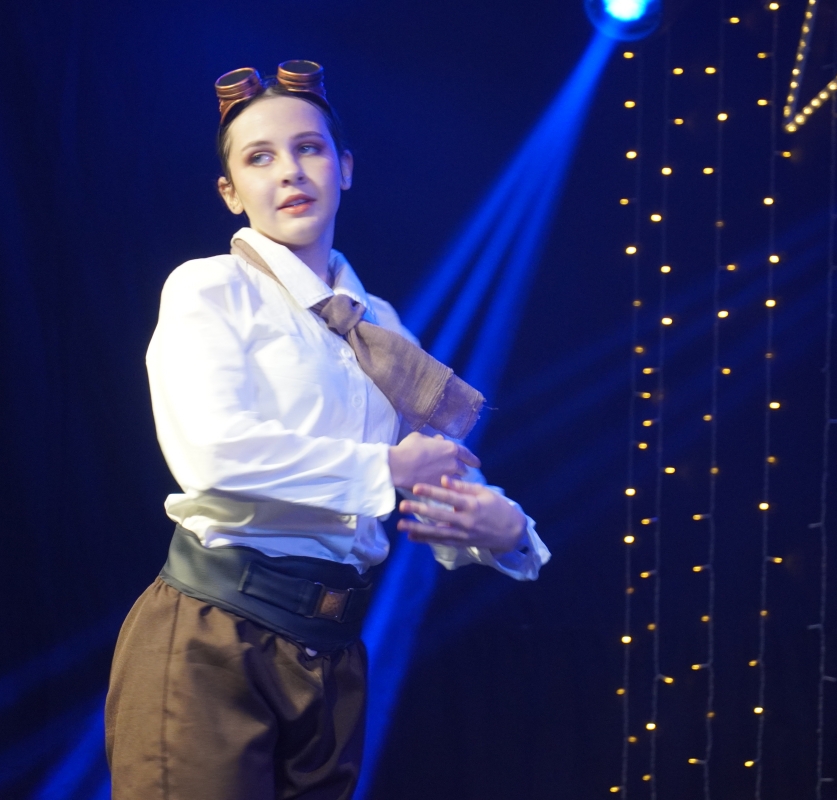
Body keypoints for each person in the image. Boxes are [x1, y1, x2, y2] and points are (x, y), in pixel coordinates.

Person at [105, 60, 550, 800]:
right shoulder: (211, 289)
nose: (290, 171)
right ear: (230, 192)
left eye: (308, 148)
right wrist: (388, 471)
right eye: (260, 158)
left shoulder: (383, 329)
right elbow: (213, 454)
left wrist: (505, 532)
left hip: (332, 655)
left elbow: (432, 477)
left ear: (344, 168)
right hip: (217, 637)